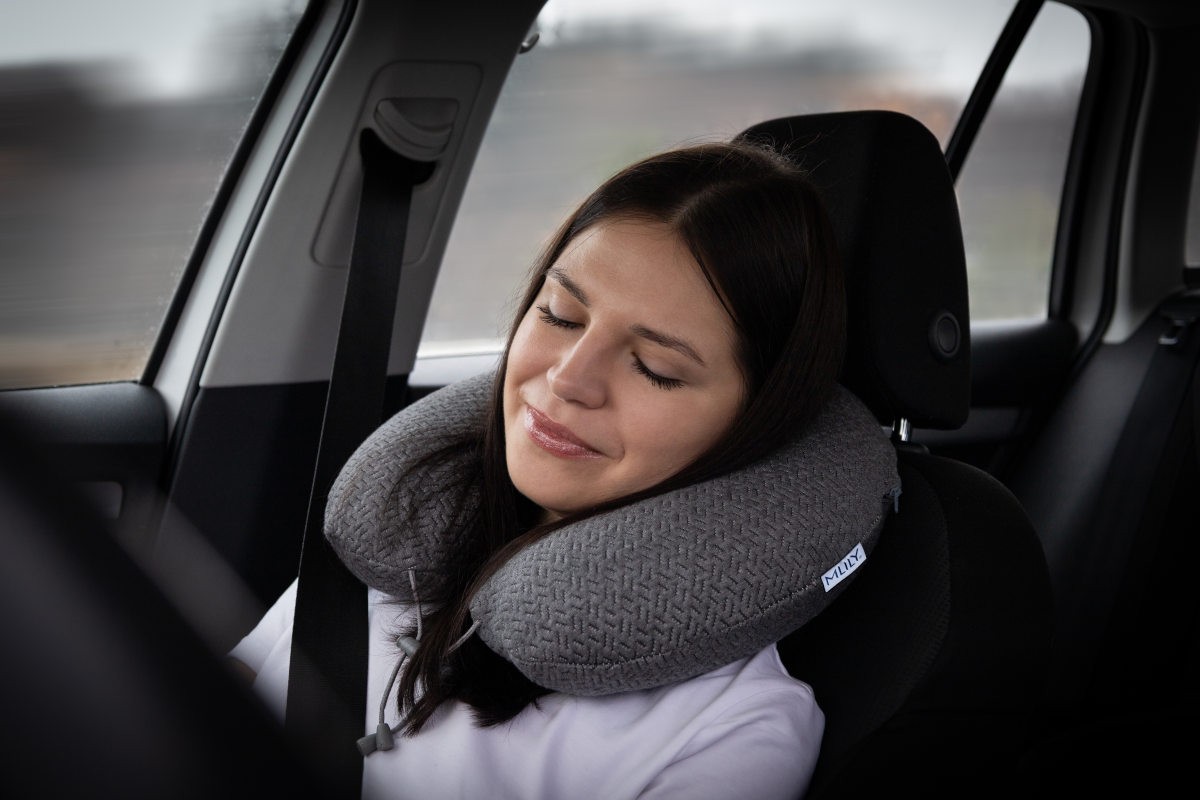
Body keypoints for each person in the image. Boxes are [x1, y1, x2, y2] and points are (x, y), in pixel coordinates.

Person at [230, 138, 851, 799]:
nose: (568, 378)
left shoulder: (731, 729)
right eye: (560, 314)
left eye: (655, 368)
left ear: (756, 420)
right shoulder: (393, 550)